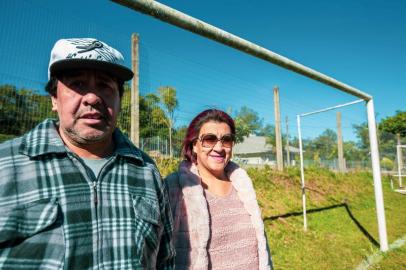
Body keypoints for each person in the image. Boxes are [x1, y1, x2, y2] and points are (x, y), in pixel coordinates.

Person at [0, 38, 175, 269]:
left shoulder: (146, 171)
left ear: (119, 99)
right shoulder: (6, 165)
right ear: (54, 98)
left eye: (104, 85)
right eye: (78, 84)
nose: (92, 98)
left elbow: (166, 260)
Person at [165, 109, 273, 270]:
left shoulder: (243, 187)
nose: (219, 147)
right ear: (194, 145)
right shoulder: (174, 187)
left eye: (226, 140)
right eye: (209, 139)